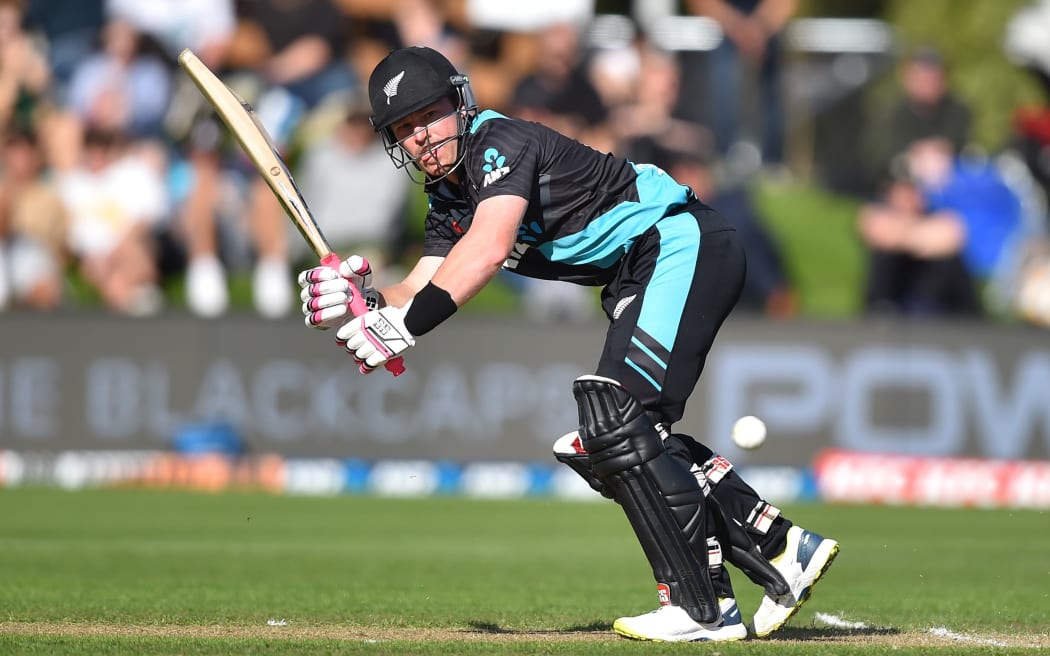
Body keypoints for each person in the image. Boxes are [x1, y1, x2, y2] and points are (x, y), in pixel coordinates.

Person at [295, 46, 838, 642]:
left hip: (679, 244)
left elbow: (488, 249)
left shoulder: (497, 142)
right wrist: (360, 302)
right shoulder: (449, 195)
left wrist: (403, 328)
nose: (420, 137)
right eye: (404, 129)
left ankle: (702, 608)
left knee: (617, 421)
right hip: (643, 268)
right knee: (606, 439)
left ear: (458, 102)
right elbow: (422, 283)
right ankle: (781, 547)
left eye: (428, 116)